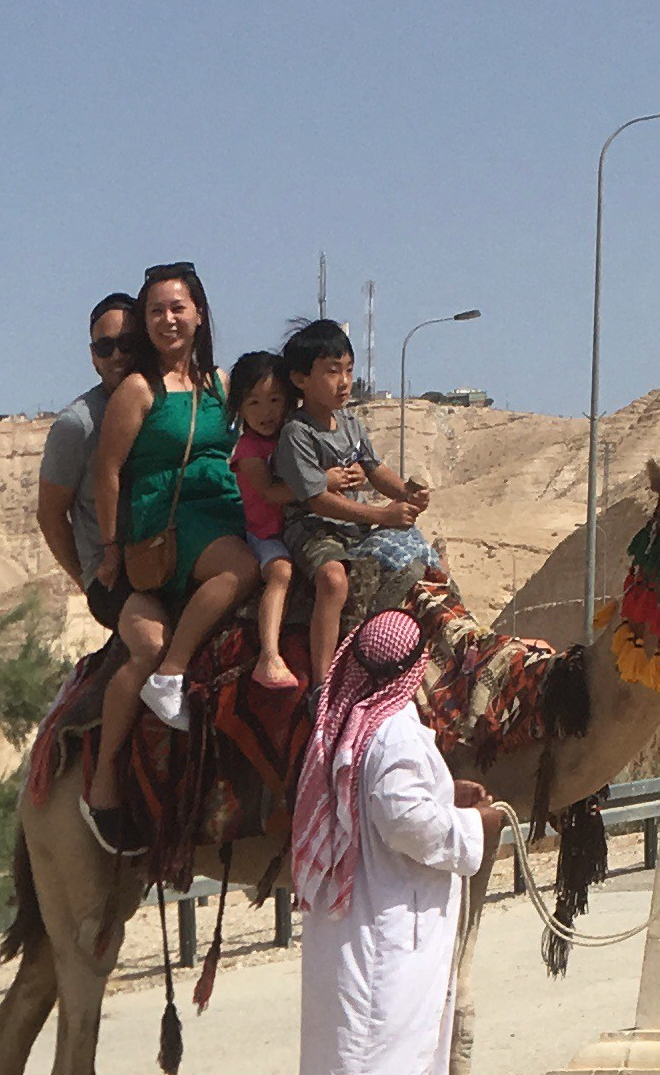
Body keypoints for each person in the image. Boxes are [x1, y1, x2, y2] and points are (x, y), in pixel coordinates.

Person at [289, 608, 505, 1075]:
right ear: (412, 668)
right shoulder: (396, 732)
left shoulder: (355, 723)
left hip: (355, 926)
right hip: (388, 934)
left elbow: (388, 798)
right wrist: (475, 828)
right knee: (386, 1065)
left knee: (345, 1067)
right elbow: (402, 818)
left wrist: (448, 794)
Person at [86, 263, 258, 856]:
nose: (168, 319)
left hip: (225, 505)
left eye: (177, 307)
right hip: (172, 520)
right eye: (156, 310)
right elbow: (107, 471)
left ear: (200, 313)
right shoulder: (138, 391)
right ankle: (166, 680)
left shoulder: (219, 383)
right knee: (243, 570)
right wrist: (110, 548)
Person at [274, 320, 438, 688]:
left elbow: (375, 469)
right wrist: (383, 514)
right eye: (332, 372)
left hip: (353, 527)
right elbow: (318, 501)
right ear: (301, 379)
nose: (344, 381)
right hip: (313, 529)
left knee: (415, 562)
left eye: (348, 370)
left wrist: (407, 493)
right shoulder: (296, 434)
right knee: (333, 580)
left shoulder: (351, 423)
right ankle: (322, 683)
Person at [37, 291, 141, 631]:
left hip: (166, 560)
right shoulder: (77, 426)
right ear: (93, 357)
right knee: (152, 644)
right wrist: (88, 581)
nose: (117, 355)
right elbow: (51, 514)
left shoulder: (168, 408)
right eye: (105, 347)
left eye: (127, 343)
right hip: (114, 577)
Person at [227, 350, 303, 693]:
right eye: (254, 402)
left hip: (300, 528)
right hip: (266, 532)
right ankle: (268, 656)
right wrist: (323, 483)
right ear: (239, 408)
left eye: (274, 399)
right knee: (281, 572)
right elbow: (272, 493)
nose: (266, 411)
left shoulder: (296, 437)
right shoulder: (248, 451)